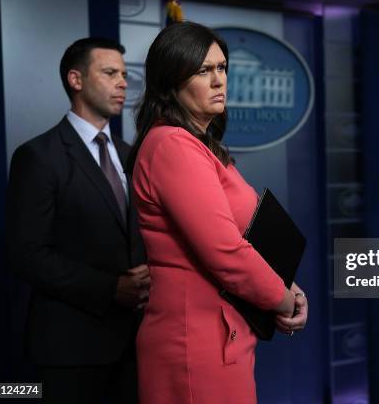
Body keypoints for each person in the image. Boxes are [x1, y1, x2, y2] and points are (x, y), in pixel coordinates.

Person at [128, 21, 308, 403]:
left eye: (222, 68)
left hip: (222, 335)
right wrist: (282, 297)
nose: (218, 81)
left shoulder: (200, 145)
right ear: (171, 80)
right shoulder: (172, 145)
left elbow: (245, 239)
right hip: (194, 346)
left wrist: (286, 287)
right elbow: (224, 250)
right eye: (202, 70)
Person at [6, 37, 148, 403]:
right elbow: (26, 255)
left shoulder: (131, 155)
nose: (123, 83)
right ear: (76, 79)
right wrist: (111, 288)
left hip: (135, 348)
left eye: (124, 74)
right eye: (110, 72)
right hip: (69, 351)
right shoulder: (38, 156)